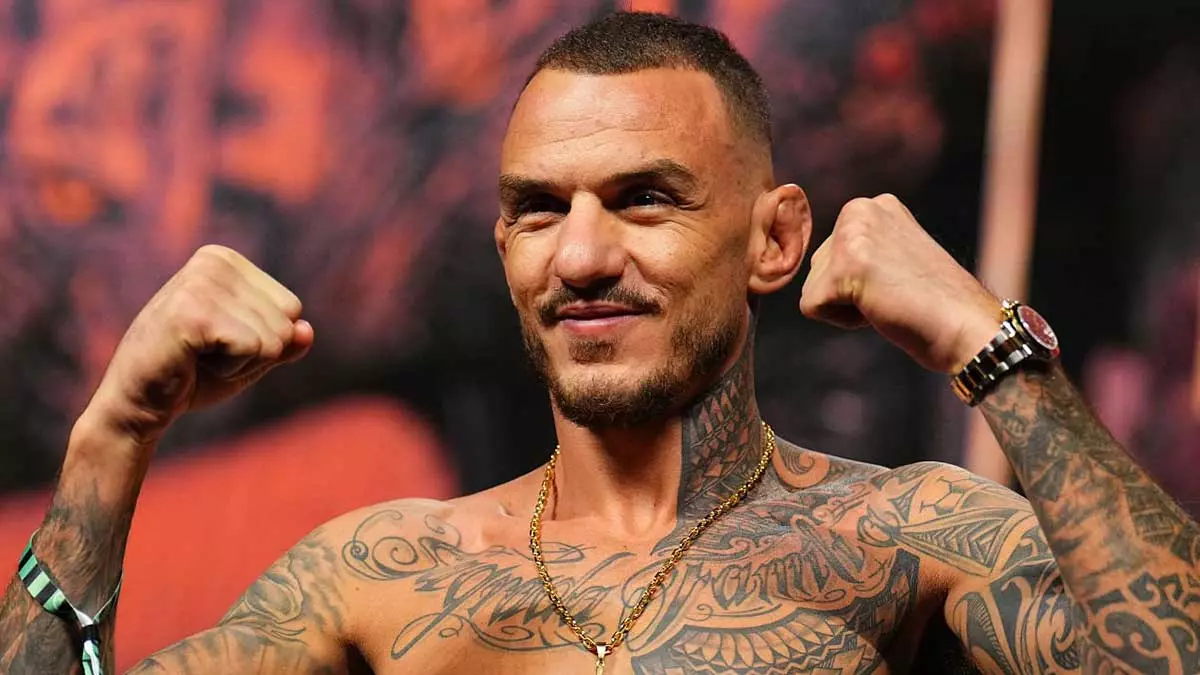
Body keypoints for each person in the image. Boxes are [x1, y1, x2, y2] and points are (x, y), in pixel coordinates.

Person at [3, 11, 1198, 674]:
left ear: (775, 240)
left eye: (644, 199)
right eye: (538, 209)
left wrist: (991, 343)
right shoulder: (377, 575)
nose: (579, 254)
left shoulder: (905, 536)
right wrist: (109, 441)